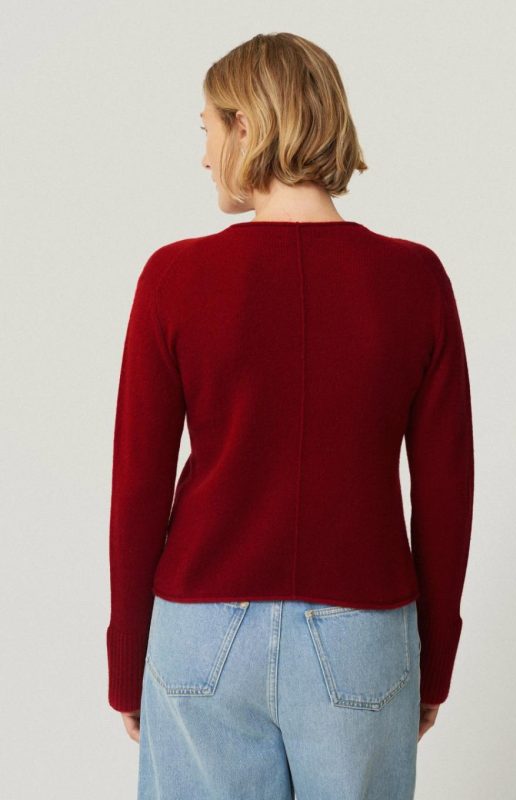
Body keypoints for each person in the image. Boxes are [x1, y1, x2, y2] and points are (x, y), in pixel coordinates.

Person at [106, 32, 474, 800]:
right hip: (362, 631)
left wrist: (126, 663)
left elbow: (138, 485)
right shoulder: (415, 279)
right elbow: (446, 491)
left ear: (246, 126)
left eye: (208, 129)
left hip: (200, 628)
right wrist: (433, 662)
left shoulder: (175, 278)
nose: (204, 157)